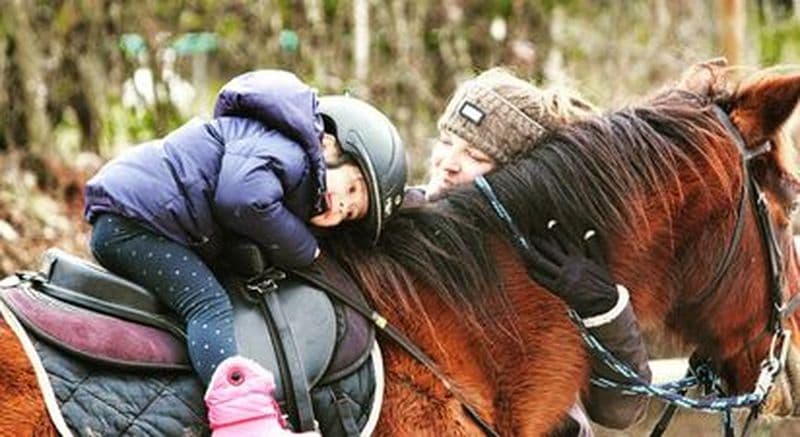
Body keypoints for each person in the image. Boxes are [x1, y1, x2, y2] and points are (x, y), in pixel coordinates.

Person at [83, 70, 406, 436]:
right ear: (330, 145)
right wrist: (305, 250)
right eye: (352, 187)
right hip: (132, 222)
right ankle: (241, 420)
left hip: (140, 216)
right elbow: (242, 198)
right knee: (208, 305)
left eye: (350, 212)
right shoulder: (290, 154)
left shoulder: (285, 159)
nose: (342, 204)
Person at [407, 67, 652, 436]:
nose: (448, 163)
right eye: (446, 140)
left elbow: (621, 409)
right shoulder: (393, 220)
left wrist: (603, 309)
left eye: (475, 155)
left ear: (518, 177)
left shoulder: (551, 258)